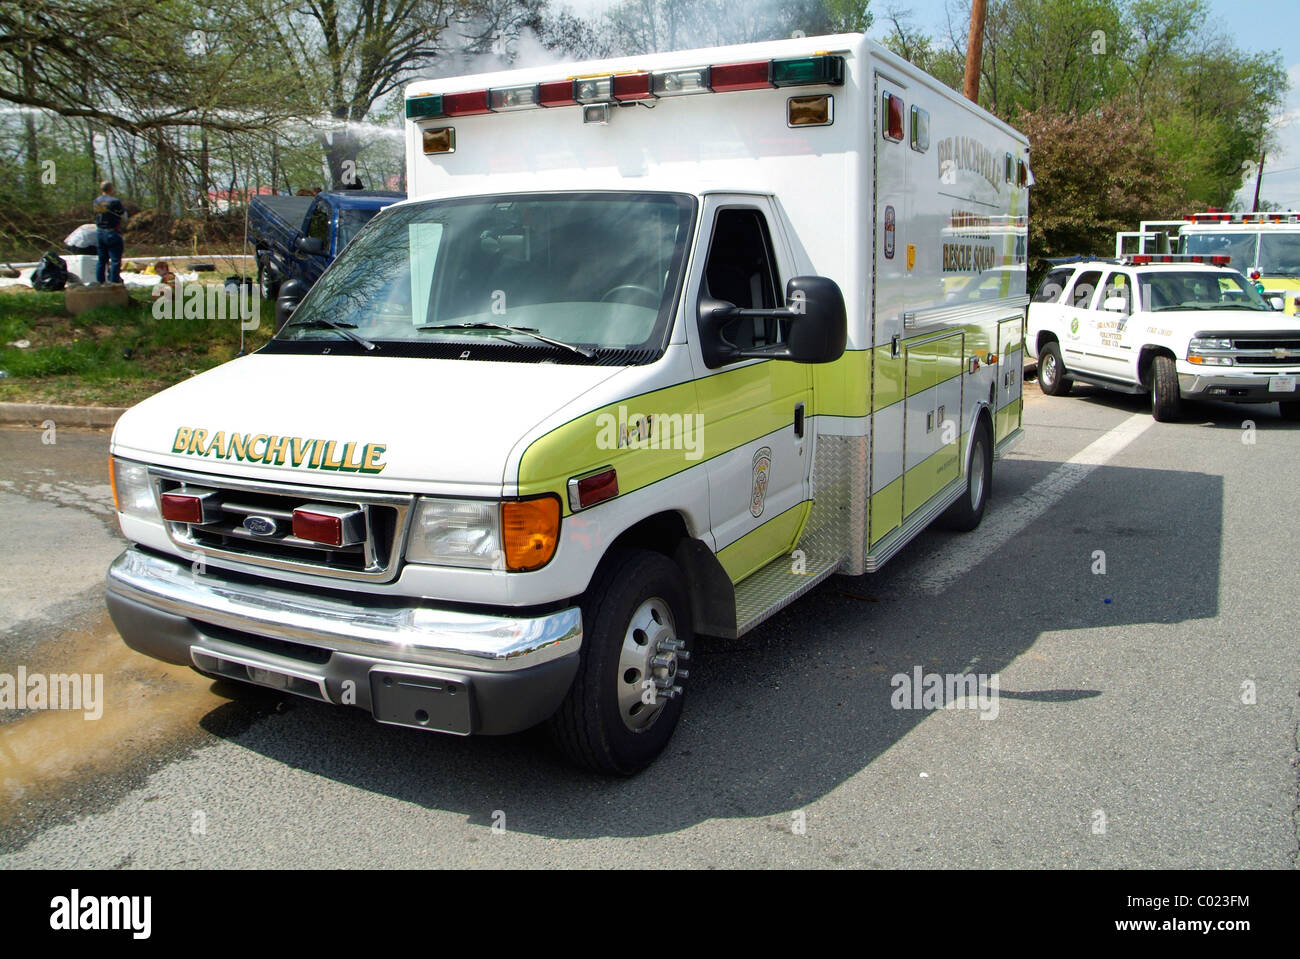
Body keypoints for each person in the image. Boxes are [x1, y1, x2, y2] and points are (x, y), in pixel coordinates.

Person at [92, 180, 127, 284]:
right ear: (111, 188)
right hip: (112, 232)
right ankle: (114, 282)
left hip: (99, 232)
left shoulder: (96, 201)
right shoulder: (115, 201)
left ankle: (100, 282)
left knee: (101, 260)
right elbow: (123, 215)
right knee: (115, 260)